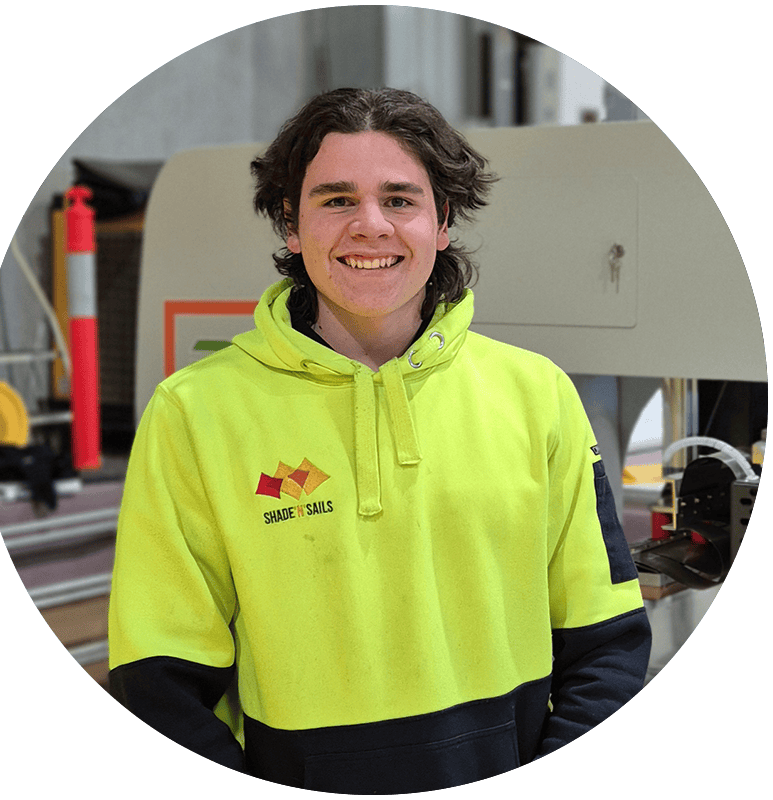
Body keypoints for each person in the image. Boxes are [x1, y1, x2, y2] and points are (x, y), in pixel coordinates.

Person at [108, 87, 652, 792]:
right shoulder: (194, 413)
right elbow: (157, 679)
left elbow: (606, 639)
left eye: (399, 199)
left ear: (442, 221)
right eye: (336, 200)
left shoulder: (536, 394)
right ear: (291, 224)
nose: (370, 225)